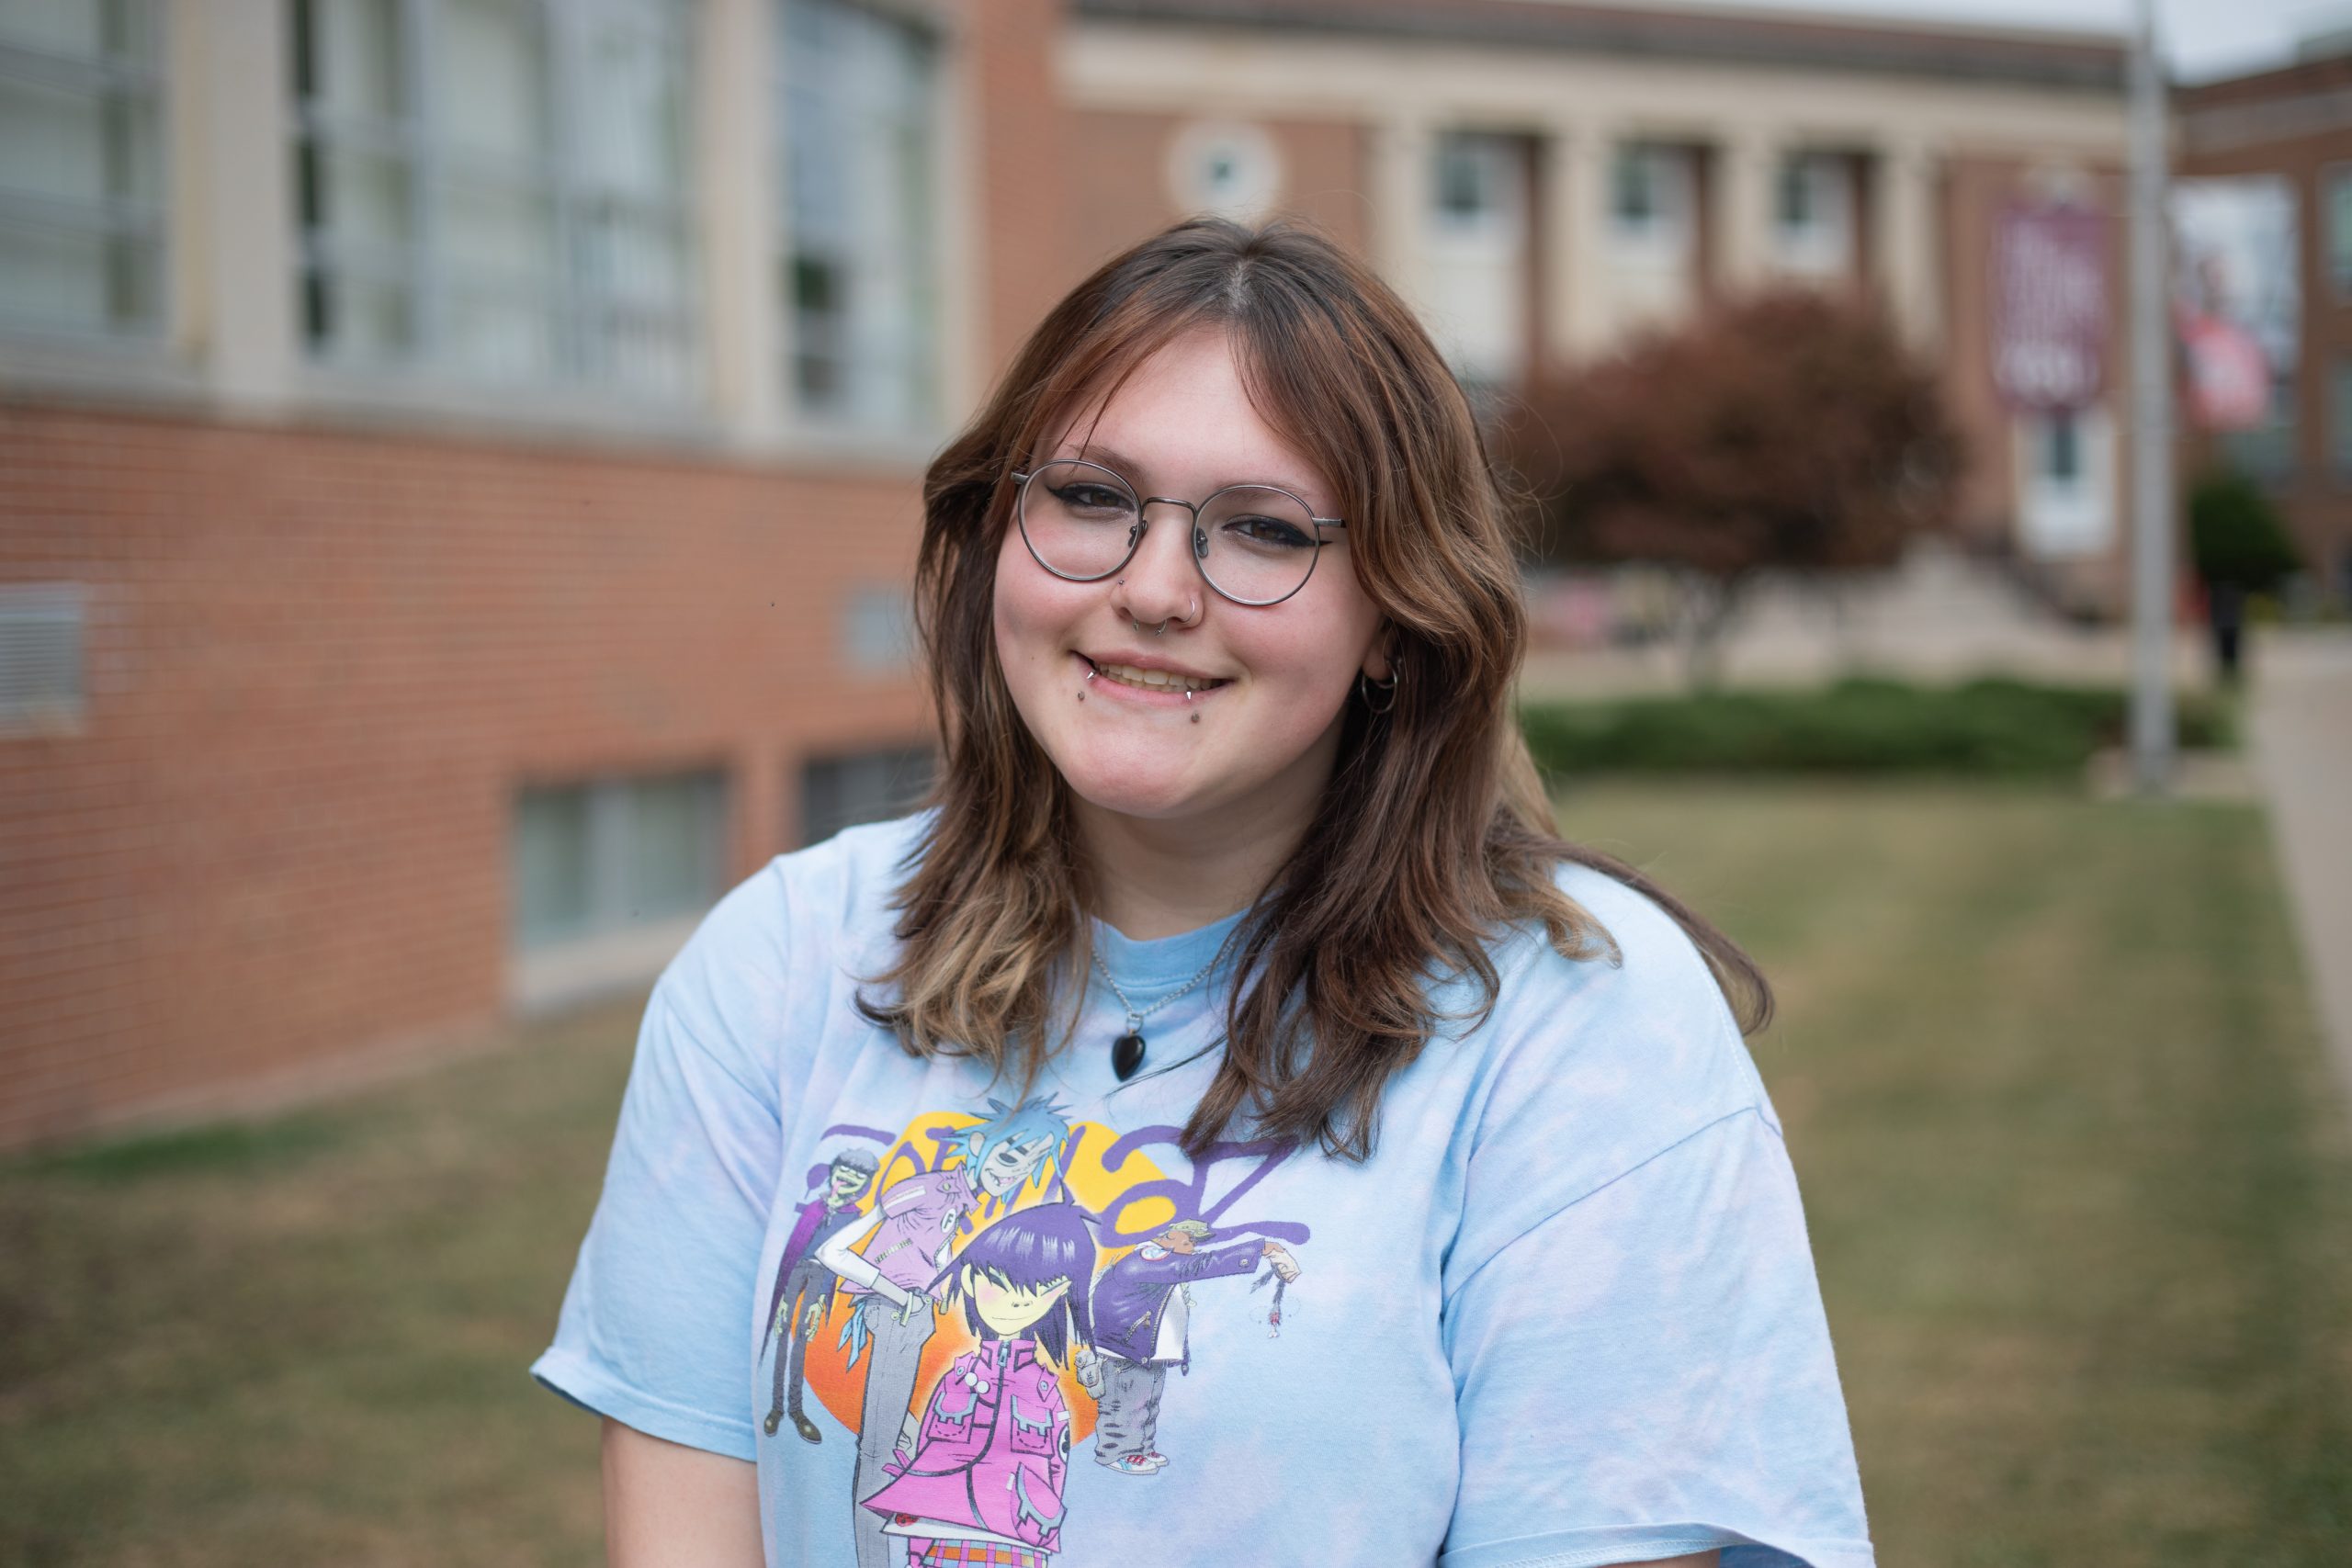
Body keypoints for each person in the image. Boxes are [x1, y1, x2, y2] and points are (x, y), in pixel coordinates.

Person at [533, 217, 1875, 1568]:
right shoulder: (783, 959)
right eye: (1093, 497)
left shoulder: (1585, 1034)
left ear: (1396, 615)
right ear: (998, 527)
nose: (1154, 588)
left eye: (1264, 529)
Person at [1087, 1220, 1299, 1474]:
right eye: (1187, 1241)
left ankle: (1140, 1448)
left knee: (1147, 1403)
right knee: (1125, 1405)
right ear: (1167, 1237)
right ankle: (1117, 1452)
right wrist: (1262, 1248)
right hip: (1126, 1354)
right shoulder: (1147, 1258)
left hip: (1143, 1354)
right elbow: (1197, 1266)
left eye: (1194, 1244)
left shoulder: (1158, 1261)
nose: (1192, 1248)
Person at [760, 1147, 879, 1443]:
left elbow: (839, 1259)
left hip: (820, 1276)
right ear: (834, 1172)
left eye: (858, 1175)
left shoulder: (854, 1217)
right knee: (781, 1338)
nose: (849, 1177)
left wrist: (823, 1299)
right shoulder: (815, 1207)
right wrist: (785, 1297)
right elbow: (794, 1247)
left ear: (864, 1183)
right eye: (845, 1170)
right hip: (795, 1271)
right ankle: (776, 1408)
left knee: (802, 1339)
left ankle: (796, 1410)